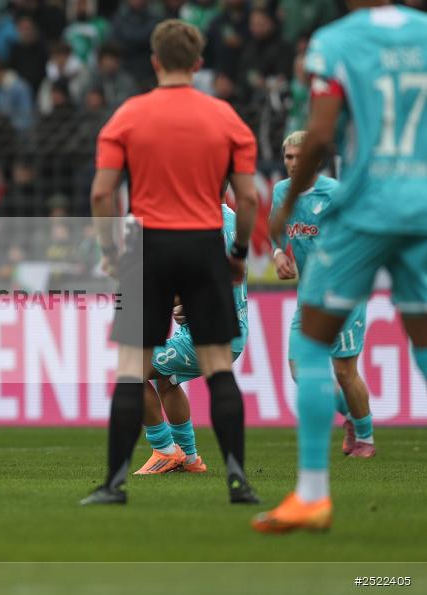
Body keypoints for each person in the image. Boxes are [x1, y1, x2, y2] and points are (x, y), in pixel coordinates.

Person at [255, 1, 427, 534]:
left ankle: (312, 495)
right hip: (421, 205)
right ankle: (358, 431)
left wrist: (283, 208)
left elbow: (323, 132)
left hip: (366, 207)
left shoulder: (336, 40)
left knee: (309, 346)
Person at [82, 19, 260, 506]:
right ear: (199, 64)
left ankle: (114, 484)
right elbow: (247, 199)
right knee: (219, 369)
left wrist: (110, 251)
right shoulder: (225, 118)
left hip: (151, 244)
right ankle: (238, 481)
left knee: (131, 369)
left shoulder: (129, 116)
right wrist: (239, 255)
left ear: (155, 61)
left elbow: (102, 192)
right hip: (204, 242)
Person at [271, 131, 375, 459]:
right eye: (288, 157)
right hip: (309, 297)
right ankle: (350, 417)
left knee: (344, 371)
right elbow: (274, 228)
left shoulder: (335, 193)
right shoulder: (281, 192)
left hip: (344, 294)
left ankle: (366, 438)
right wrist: (278, 253)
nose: (292, 163)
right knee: (300, 370)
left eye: (299, 157)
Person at [134, 205, 248, 475]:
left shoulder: (200, 223)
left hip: (209, 334)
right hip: (227, 328)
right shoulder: (232, 217)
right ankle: (189, 459)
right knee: (167, 381)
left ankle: (164, 450)